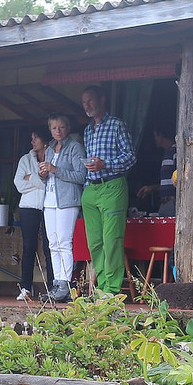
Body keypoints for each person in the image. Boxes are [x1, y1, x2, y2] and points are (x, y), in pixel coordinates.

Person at [80, 85, 136, 296]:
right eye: (84, 102)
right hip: (91, 188)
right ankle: (101, 288)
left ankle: (111, 291)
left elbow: (130, 157)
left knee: (112, 240)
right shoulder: (87, 130)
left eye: (91, 100)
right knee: (95, 242)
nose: (87, 105)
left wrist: (105, 164)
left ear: (102, 99)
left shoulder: (117, 125)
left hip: (112, 184)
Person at [39, 114, 87, 303]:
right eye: (54, 128)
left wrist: (55, 170)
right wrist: (43, 173)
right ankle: (57, 281)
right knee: (52, 243)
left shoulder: (75, 147)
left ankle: (66, 283)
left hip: (68, 200)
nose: (58, 131)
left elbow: (80, 176)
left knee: (64, 242)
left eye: (61, 127)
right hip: (49, 200)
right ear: (50, 129)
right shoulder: (49, 148)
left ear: (68, 128)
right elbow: (47, 175)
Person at [12, 125, 55, 301]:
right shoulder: (25, 159)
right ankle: (25, 287)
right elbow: (18, 184)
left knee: (49, 246)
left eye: (35, 138)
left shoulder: (53, 156)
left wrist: (31, 177)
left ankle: (53, 286)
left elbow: (53, 182)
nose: (32, 141)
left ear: (44, 140)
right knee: (29, 247)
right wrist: (40, 179)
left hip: (50, 205)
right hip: (28, 206)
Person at [136, 126, 177, 216]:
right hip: (165, 203)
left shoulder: (175, 151)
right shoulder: (167, 152)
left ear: (160, 135)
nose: (154, 139)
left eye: (155, 136)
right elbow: (169, 182)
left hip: (173, 203)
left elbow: (179, 178)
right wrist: (151, 188)